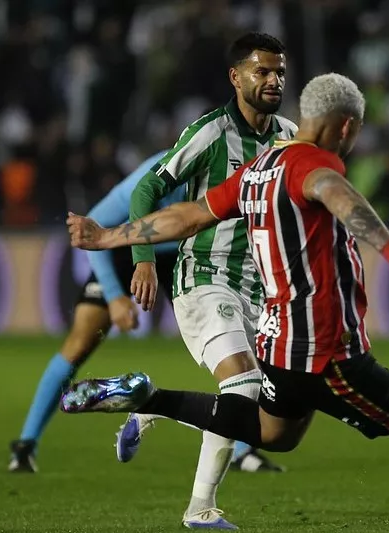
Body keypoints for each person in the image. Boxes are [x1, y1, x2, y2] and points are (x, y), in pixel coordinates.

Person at [61, 73, 389, 533]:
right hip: (329, 354)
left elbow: (188, 216)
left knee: (274, 434)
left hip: (279, 347)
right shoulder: (313, 165)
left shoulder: (258, 169)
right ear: (345, 128)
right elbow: (334, 192)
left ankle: (152, 399)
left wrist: (108, 236)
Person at [118, 32, 297, 529]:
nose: (273, 80)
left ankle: (149, 404)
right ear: (236, 77)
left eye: (279, 72)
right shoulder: (211, 133)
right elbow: (149, 187)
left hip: (261, 290)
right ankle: (200, 510)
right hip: (204, 276)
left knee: (258, 407)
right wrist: (144, 257)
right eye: (262, 71)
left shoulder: (289, 136)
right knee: (241, 383)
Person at [9, 150, 175, 474]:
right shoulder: (153, 175)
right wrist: (114, 298)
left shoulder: (227, 168)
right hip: (124, 251)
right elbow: (94, 227)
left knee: (223, 342)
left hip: (181, 252)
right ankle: (26, 444)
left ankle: (241, 448)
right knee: (80, 342)